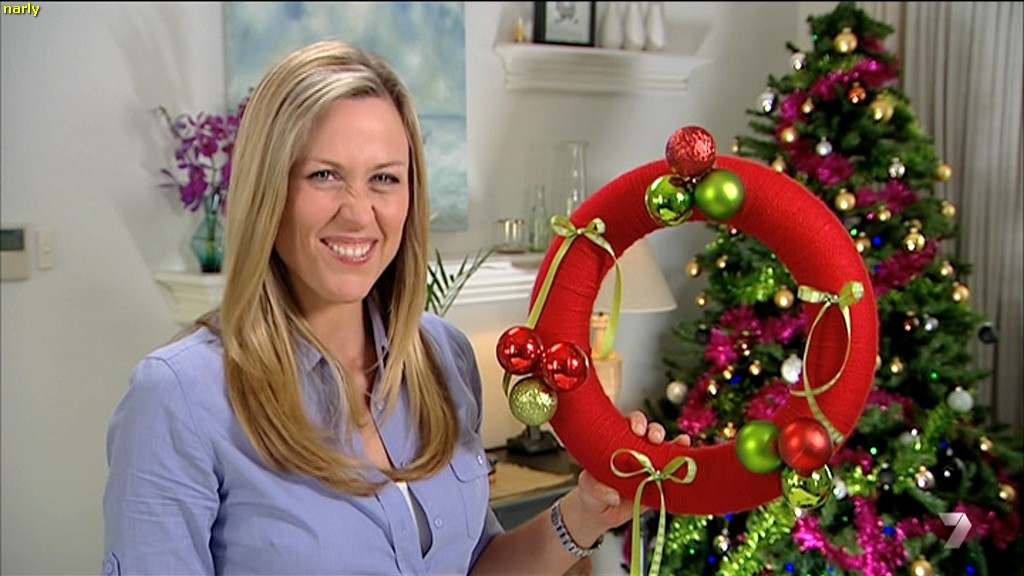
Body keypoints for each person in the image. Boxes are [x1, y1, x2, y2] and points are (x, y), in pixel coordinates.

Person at [103, 40, 687, 575]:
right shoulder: (180, 398)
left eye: (384, 179)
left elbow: (472, 565)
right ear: (268, 193)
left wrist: (585, 514)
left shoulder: (443, 356)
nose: (359, 212)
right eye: (324, 175)